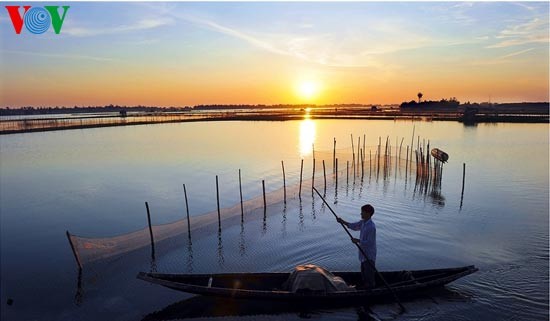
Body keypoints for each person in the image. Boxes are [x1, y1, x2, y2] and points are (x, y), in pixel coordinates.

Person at [336, 204, 376, 288]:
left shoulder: (371, 227)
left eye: (362, 212)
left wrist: (358, 241)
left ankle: (371, 289)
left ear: (368, 213)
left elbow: (369, 243)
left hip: (368, 255)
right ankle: (365, 287)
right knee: (363, 273)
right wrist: (342, 221)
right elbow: (354, 226)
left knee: (369, 275)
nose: (361, 214)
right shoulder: (363, 222)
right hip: (363, 254)